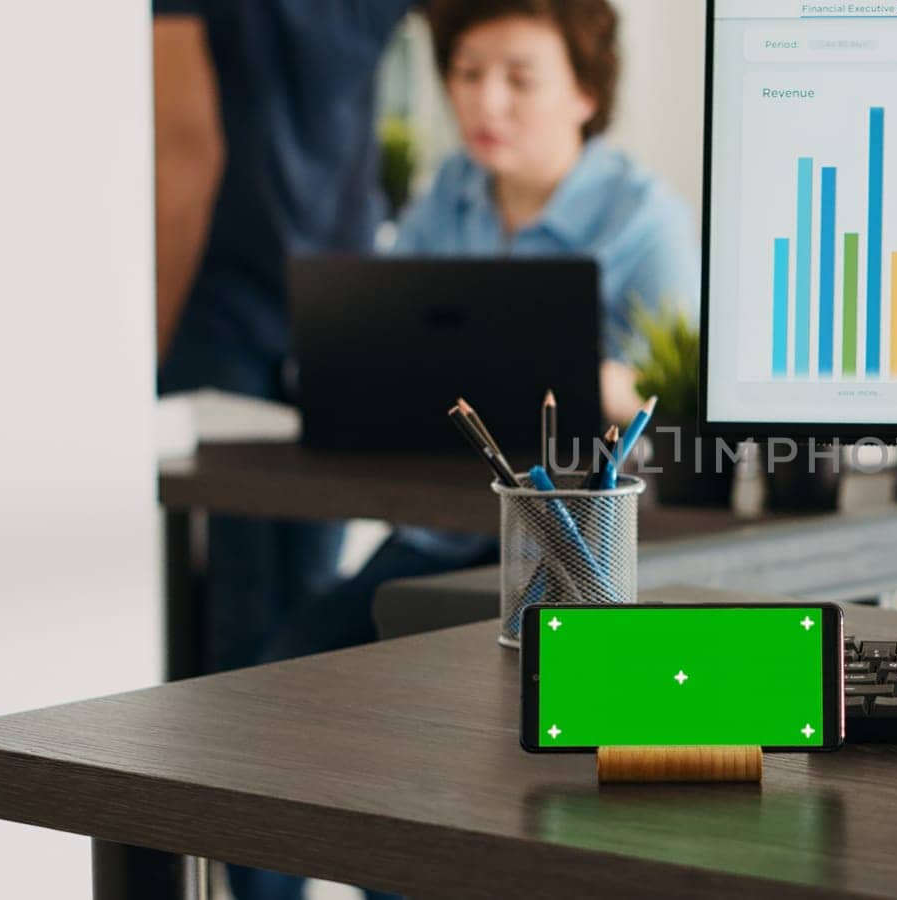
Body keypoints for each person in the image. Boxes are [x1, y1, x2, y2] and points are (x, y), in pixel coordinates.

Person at [261, 0, 698, 660]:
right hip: (444, 528)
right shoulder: (449, 192)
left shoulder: (646, 220)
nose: (485, 101)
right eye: (467, 73)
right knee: (297, 658)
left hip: (582, 551)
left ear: (585, 91)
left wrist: (587, 378)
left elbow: (680, 395)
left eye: (519, 80)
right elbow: (383, 341)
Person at [152, 2, 416, 898]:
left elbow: (182, 151)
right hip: (334, 307)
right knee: (291, 652)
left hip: (230, 316)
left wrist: (135, 355)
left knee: (249, 654)